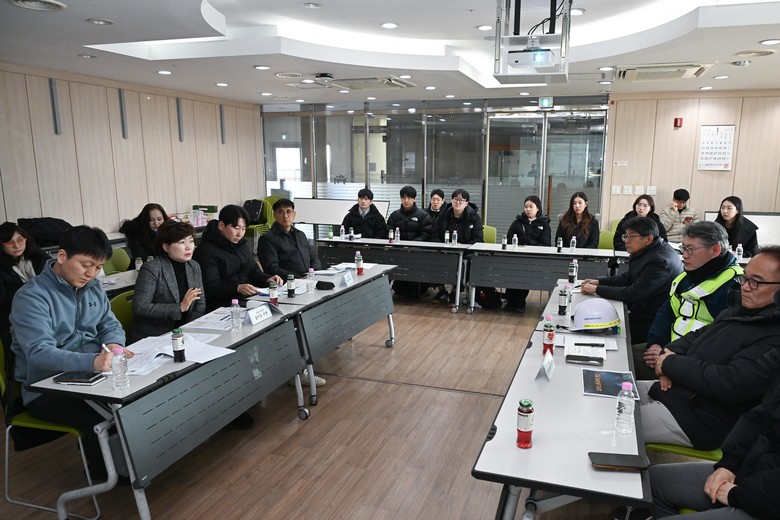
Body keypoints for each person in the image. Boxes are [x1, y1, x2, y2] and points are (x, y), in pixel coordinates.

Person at [10, 226, 129, 481]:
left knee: (134, 400)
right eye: (86, 265)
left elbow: (110, 326)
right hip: (45, 387)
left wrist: (114, 345)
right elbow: (40, 354)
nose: (91, 273)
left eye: (98, 267)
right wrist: (93, 361)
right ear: (62, 256)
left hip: (92, 376)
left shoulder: (93, 288)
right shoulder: (32, 297)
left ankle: (137, 465)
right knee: (106, 417)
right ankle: (105, 476)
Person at [637, 247, 780, 450]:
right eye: (745, 278)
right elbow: (696, 335)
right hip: (675, 391)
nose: (745, 287)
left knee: (609, 423)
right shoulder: (739, 311)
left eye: (755, 282)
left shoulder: (773, 337)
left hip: (696, 418)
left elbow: (729, 383)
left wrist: (669, 363)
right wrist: (668, 355)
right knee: (608, 392)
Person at [649, 377, 780, 519]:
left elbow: (729, 381)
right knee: (651, 482)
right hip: (750, 475)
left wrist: (737, 495)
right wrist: (729, 465)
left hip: (763, 500)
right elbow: (759, 417)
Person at [635, 221, 742, 380]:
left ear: (715, 250)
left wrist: (671, 360)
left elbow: (722, 341)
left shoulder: (734, 286)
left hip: (694, 364)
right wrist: (656, 343)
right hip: (668, 349)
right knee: (621, 356)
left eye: (690, 249)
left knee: (627, 366)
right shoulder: (687, 276)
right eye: (683, 248)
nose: (684, 255)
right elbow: (667, 312)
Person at [581, 217, 682, 344]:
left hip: (653, 321)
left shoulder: (659, 261)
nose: (626, 241)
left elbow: (633, 293)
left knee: (602, 334)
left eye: (631, 237)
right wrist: (599, 281)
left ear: (648, 239)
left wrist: (596, 289)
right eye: (625, 236)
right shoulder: (645, 249)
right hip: (640, 310)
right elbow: (629, 277)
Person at [194, 204, 282, 312]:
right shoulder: (206, 251)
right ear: (221, 225)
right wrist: (237, 288)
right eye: (236, 228)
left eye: (243, 229)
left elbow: (253, 272)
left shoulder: (241, 245)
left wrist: (267, 279)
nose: (240, 234)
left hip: (246, 300)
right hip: (222, 306)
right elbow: (210, 287)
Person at [129, 221, 205, 344]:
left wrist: (189, 330)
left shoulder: (193, 266)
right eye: (182, 242)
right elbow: (140, 307)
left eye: (191, 241)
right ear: (166, 247)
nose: (189, 247)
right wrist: (180, 307)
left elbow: (200, 304)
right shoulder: (152, 268)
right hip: (154, 336)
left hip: (185, 333)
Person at [0, 222, 49, 352]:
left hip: (45, 311)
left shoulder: (38, 256)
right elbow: (3, 300)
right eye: (9, 242)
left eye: (20, 240)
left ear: (26, 239)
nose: (16, 245)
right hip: (13, 318)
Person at [504, 195, 551, 313]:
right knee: (513, 270)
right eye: (526, 207)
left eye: (531, 207)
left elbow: (546, 244)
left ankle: (520, 302)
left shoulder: (544, 224)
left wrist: (530, 245)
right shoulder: (517, 223)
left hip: (534, 259)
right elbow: (509, 240)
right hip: (516, 257)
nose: (528, 209)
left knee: (524, 272)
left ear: (538, 208)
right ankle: (510, 301)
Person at [258, 198, 322, 279]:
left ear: (294, 215)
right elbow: (271, 268)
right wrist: (298, 278)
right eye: (280, 212)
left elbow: (313, 257)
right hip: (288, 282)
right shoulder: (267, 238)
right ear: (274, 215)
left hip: (310, 279)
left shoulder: (300, 234)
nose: (285, 216)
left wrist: (315, 272)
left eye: (288, 211)